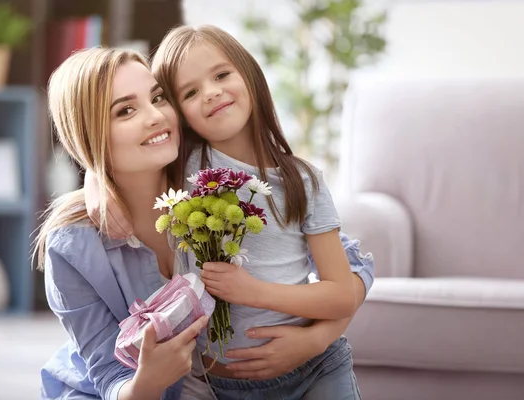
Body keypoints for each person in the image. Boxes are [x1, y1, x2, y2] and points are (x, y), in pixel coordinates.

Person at [85, 25, 374, 399]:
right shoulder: (182, 169)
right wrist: (95, 180)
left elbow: (340, 295)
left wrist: (255, 293)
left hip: (314, 370)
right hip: (215, 384)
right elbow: (118, 155)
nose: (212, 93)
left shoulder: (303, 181)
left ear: (249, 74)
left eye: (221, 74)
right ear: (179, 114)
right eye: (190, 92)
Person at [35, 47, 210, 400]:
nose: (156, 116)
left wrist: (311, 339)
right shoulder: (72, 246)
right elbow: (107, 373)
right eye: (126, 110)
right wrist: (149, 380)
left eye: (158, 97)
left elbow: (328, 255)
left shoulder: (215, 181)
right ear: (89, 135)